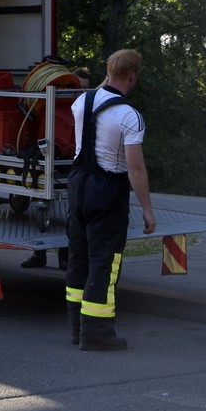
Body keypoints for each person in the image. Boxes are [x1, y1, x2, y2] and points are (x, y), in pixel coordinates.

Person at [65, 50, 156, 351]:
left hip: (78, 185)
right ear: (133, 76)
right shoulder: (129, 115)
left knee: (79, 257)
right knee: (104, 261)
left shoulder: (81, 102)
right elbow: (136, 167)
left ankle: (76, 329)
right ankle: (98, 334)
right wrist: (147, 209)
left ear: (108, 72)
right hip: (108, 190)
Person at [21, 66, 91, 271]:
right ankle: (39, 253)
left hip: (75, 164)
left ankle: (64, 256)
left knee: (70, 212)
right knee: (41, 204)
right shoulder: (51, 106)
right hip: (51, 159)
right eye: (77, 87)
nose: (80, 93)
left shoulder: (88, 108)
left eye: (85, 89)